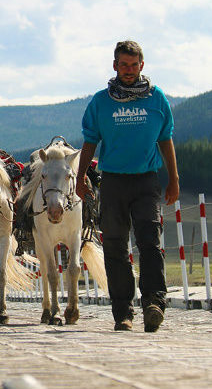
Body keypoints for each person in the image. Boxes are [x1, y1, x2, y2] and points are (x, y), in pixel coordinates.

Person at [76, 40, 179, 333]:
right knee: (115, 247)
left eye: (134, 65)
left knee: (150, 241)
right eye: (124, 65)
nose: (129, 70)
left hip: (146, 181)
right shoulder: (101, 101)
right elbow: (90, 142)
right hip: (113, 182)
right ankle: (123, 313)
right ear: (115, 66)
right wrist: (82, 176)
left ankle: (154, 303)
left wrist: (174, 179)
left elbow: (166, 140)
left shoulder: (157, 99)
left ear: (142, 66)